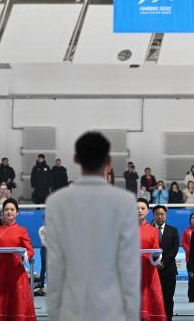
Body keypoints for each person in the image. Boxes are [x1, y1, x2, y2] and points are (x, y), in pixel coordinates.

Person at [44, 131, 139, 321]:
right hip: (113, 312)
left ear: (76, 158)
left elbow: (55, 265)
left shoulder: (56, 202)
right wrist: (131, 315)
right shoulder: (125, 202)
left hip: (70, 311)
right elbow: (129, 267)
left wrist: (54, 313)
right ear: (108, 160)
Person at [0, 198, 36, 321]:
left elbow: (30, 251)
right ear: (2, 212)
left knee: (18, 301)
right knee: (1, 301)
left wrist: (24, 255)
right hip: (1, 272)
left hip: (17, 272)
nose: (9, 212)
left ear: (17, 213)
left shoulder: (22, 230)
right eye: (6, 209)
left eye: (12, 209)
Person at [136, 199, 167, 321]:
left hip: (148, 271)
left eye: (143, 208)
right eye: (137, 208)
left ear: (148, 211)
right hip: (129, 272)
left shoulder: (154, 230)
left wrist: (156, 256)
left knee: (148, 309)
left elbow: (156, 250)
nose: (139, 211)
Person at [152, 205, 180, 321]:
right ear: (153, 215)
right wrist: (154, 263)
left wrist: (163, 263)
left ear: (166, 215)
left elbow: (175, 249)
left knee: (168, 298)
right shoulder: (148, 229)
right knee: (153, 298)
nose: (159, 216)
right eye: (157, 214)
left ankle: (168, 318)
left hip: (168, 270)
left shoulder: (173, 230)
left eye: (162, 214)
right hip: (152, 270)